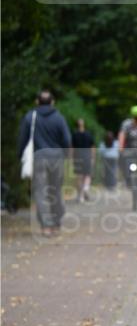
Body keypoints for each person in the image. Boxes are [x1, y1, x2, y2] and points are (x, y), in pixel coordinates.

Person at [17, 90, 71, 236]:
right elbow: (66, 140)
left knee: (41, 192)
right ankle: (56, 223)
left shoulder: (30, 117)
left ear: (37, 101)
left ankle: (46, 227)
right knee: (56, 190)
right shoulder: (59, 118)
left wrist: (20, 156)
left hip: (39, 158)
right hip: (57, 158)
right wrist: (66, 155)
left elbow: (23, 139)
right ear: (52, 102)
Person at [71, 119, 95, 202]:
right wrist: (93, 157)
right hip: (87, 156)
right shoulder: (88, 134)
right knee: (87, 175)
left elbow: (72, 148)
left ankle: (80, 196)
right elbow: (92, 147)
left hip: (77, 156)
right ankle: (86, 187)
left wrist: (71, 157)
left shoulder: (74, 134)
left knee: (79, 176)